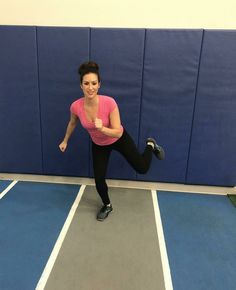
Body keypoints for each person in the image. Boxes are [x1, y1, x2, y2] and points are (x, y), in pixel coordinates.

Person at [59, 61, 165, 221]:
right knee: (99, 179)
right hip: (99, 144)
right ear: (81, 86)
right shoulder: (76, 106)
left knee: (142, 168)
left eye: (94, 83)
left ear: (99, 84)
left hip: (118, 138)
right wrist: (65, 140)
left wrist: (102, 129)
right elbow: (72, 123)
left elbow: (116, 132)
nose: (90, 87)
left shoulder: (109, 103)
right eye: (86, 83)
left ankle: (150, 145)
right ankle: (107, 205)